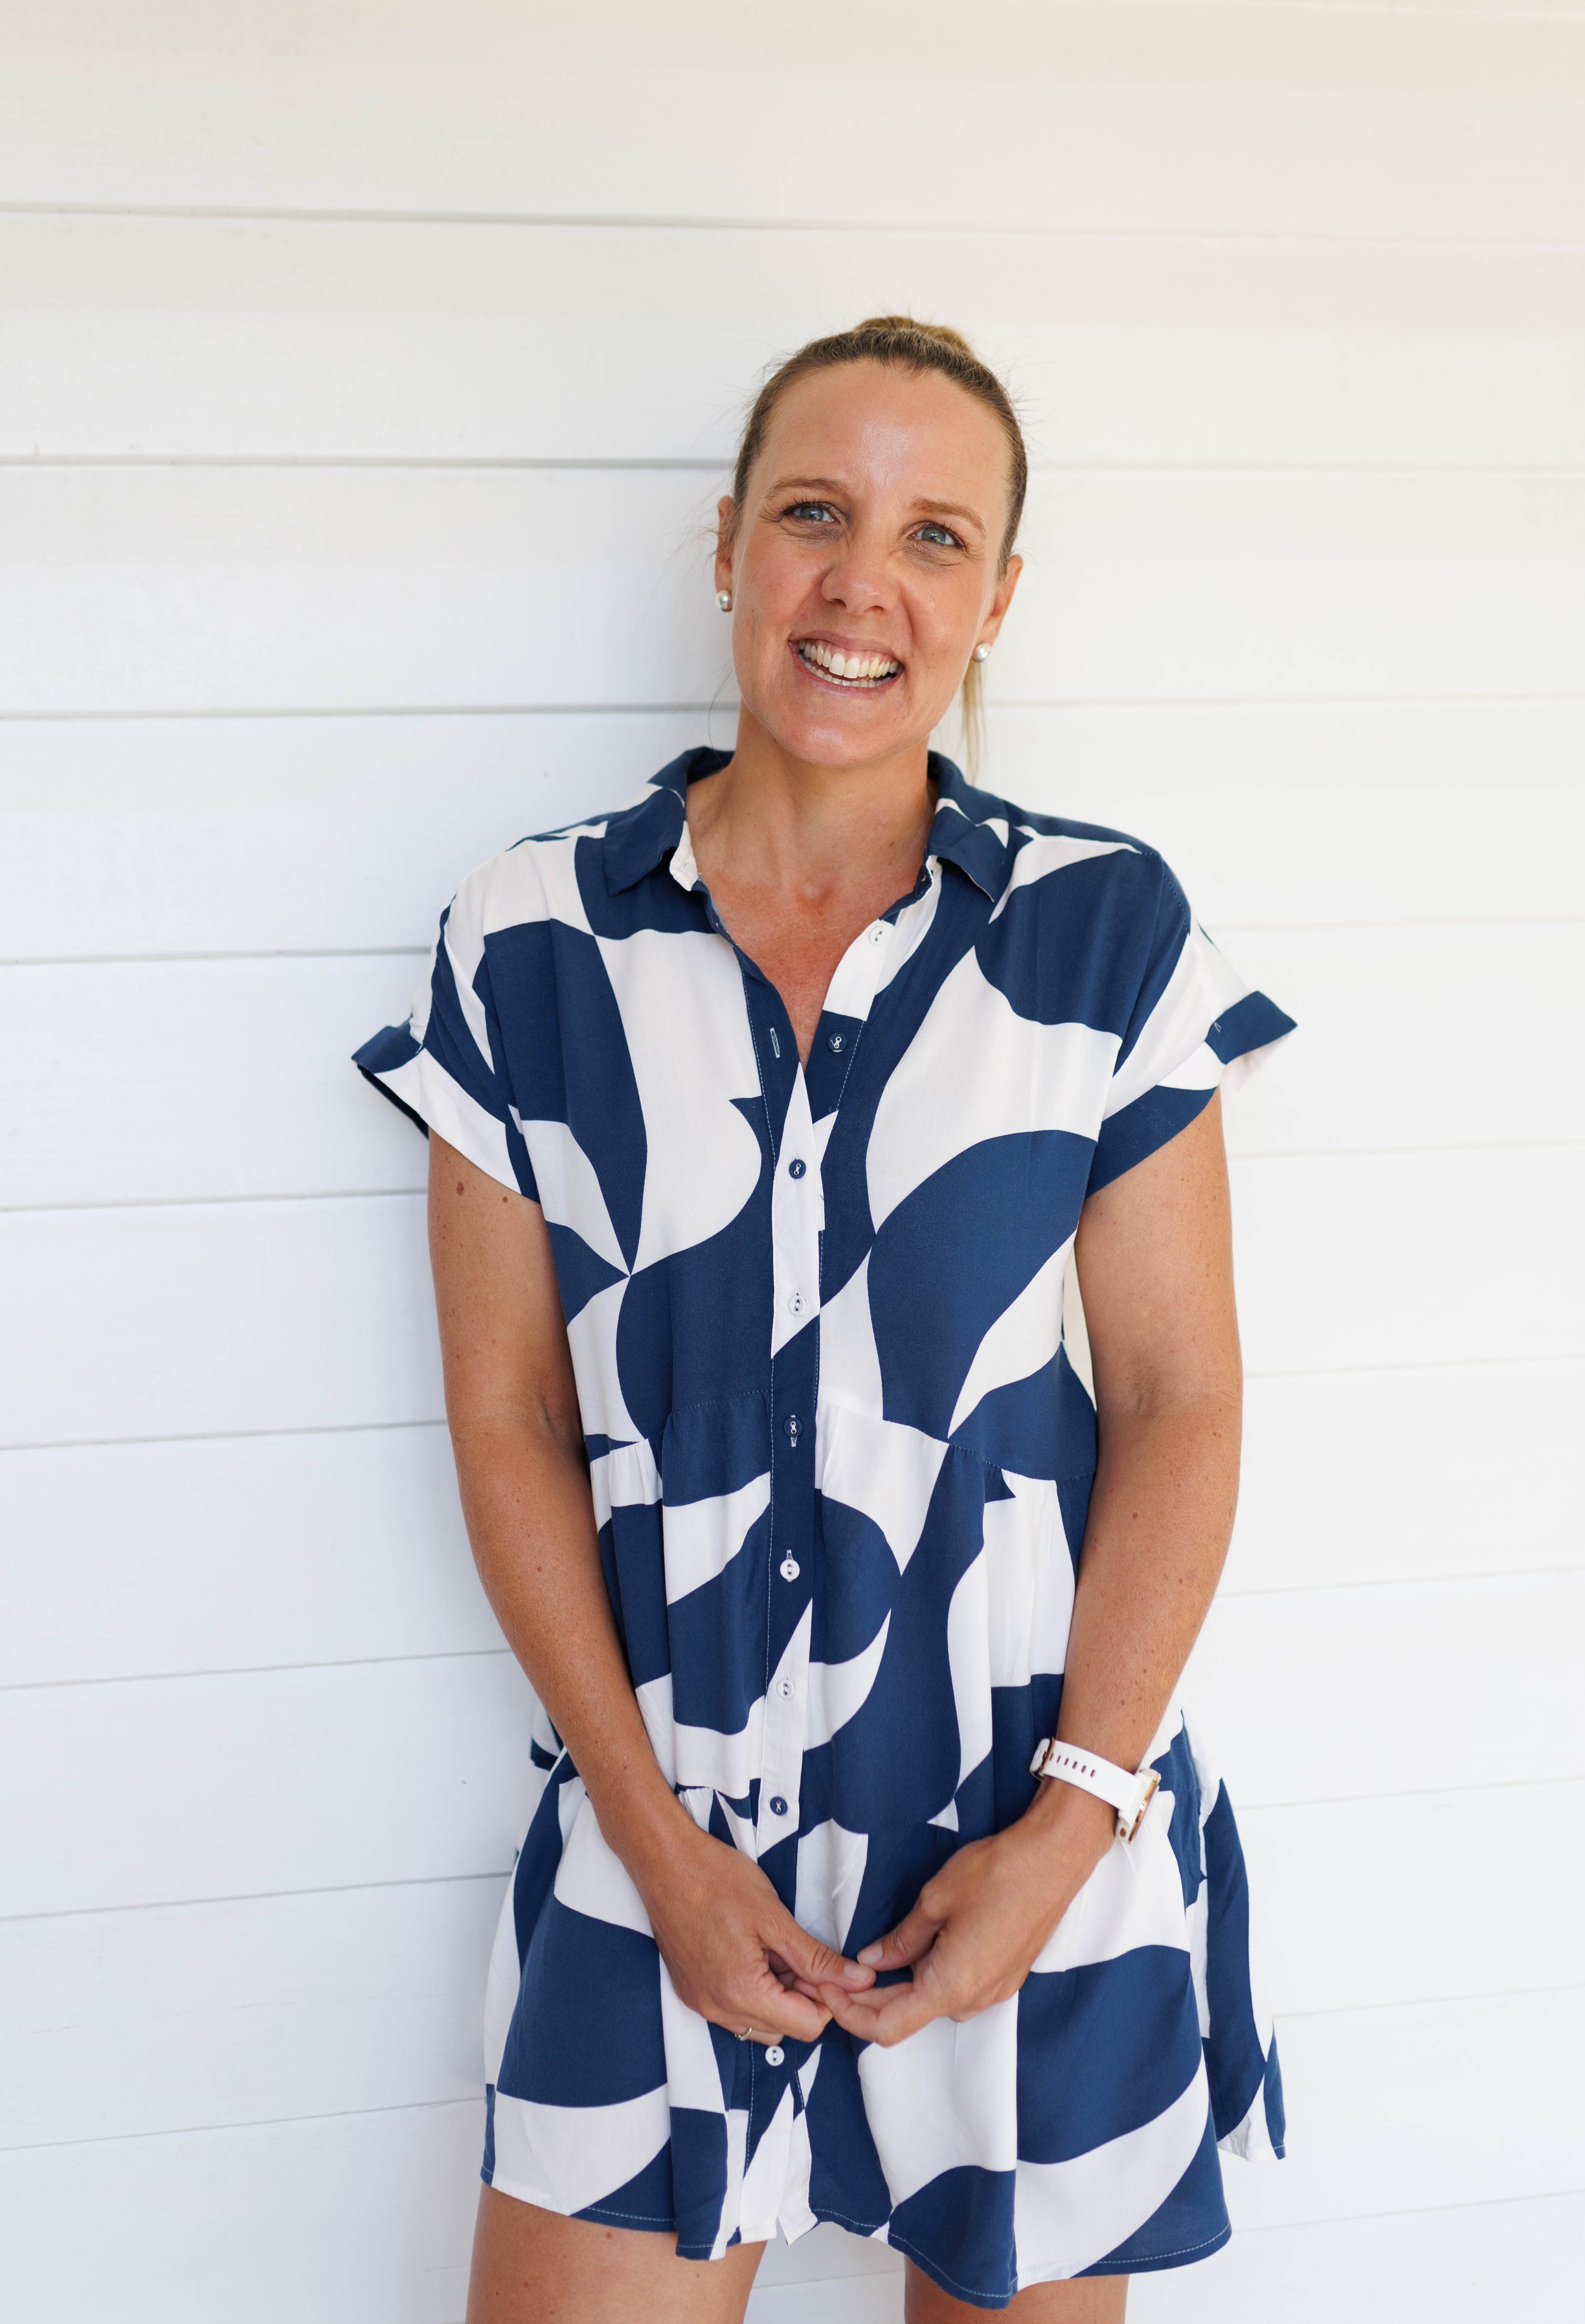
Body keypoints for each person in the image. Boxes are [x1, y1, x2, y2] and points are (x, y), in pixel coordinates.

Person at [354, 318, 1293, 2320]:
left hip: (1032, 1830)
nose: (864, 580)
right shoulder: (530, 938)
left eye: (934, 535)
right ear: (725, 549)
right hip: (659, 1833)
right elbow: (511, 1412)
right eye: (813, 513)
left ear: (996, 599)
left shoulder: (1101, 933)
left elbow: (1182, 1396)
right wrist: (650, 1842)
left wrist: (1067, 1831)